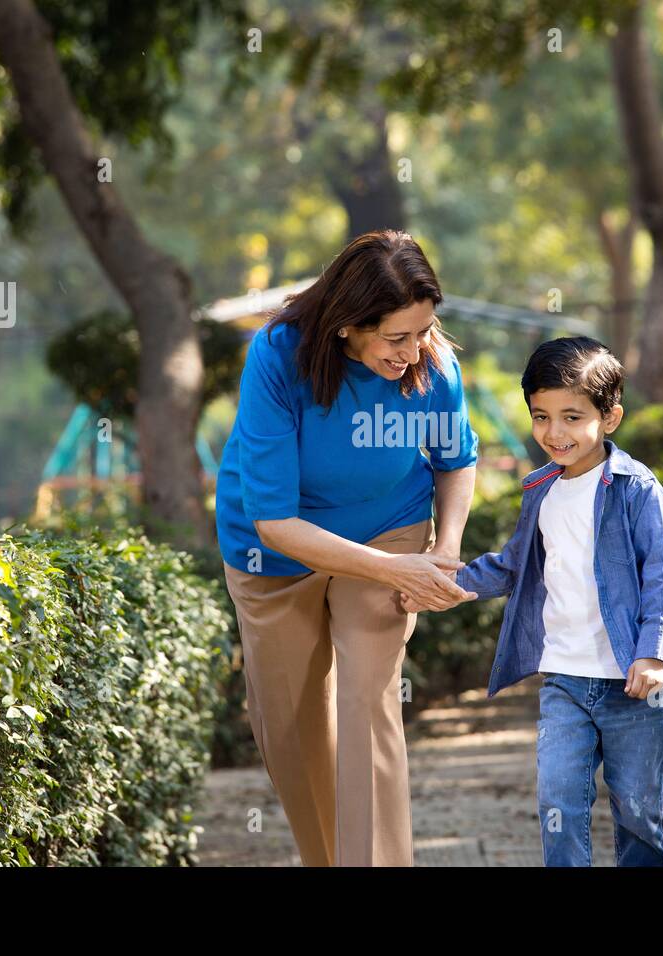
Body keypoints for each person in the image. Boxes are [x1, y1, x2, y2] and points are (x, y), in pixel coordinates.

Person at [214, 229, 479, 866]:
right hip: (274, 550)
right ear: (345, 326)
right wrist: (397, 568)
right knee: (293, 730)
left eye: (423, 331)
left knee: (368, 694)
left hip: (390, 523)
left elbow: (456, 459)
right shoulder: (278, 356)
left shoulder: (433, 364)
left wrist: (443, 551)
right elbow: (275, 521)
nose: (414, 351)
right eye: (396, 338)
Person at [404, 335, 663, 866]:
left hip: (632, 686)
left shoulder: (637, 490)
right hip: (564, 681)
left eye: (572, 417)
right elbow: (514, 565)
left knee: (639, 817)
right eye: (540, 416)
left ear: (610, 418)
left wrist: (657, 653)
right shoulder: (542, 490)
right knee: (558, 802)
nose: (554, 433)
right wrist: (449, 585)